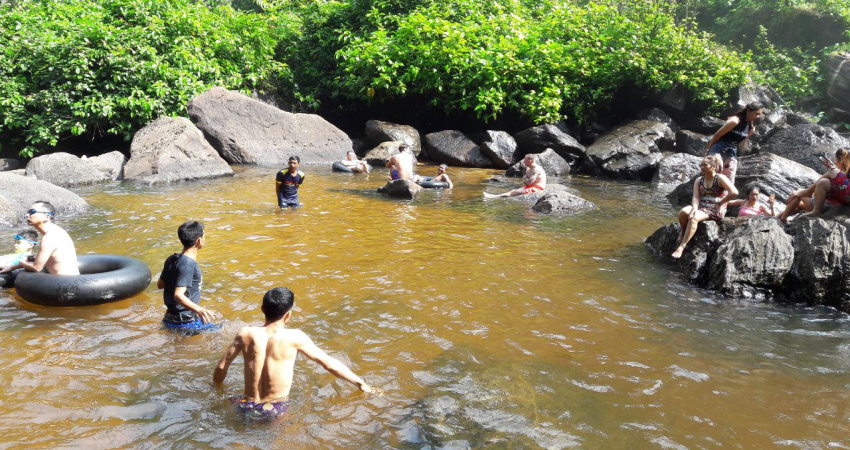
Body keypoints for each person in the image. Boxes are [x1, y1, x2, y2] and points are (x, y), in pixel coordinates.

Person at [213, 287, 372, 419]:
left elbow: (221, 367)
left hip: (246, 404)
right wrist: (361, 384)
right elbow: (329, 364)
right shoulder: (295, 337)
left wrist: (216, 388)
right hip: (275, 409)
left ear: (262, 309)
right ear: (288, 314)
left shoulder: (245, 333)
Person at [672, 156, 738, 259]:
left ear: (713, 166)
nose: (702, 167)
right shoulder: (699, 180)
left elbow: (734, 192)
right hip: (702, 207)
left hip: (715, 209)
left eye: (705, 165)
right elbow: (696, 197)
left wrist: (721, 203)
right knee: (683, 212)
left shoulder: (720, 178)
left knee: (693, 218)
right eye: (701, 165)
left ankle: (682, 246)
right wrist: (694, 207)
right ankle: (683, 230)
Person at [158, 221, 218, 331]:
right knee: (221, 333)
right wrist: (200, 310)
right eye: (204, 236)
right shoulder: (188, 264)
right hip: (185, 320)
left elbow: (160, 284)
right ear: (198, 240)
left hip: (170, 317)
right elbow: (178, 295)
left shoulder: (172, 259)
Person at [0, 201, 79, 276]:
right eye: (28, 212)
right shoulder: (57, 231)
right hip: (69, 282)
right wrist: (12, 267)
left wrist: (21, 262)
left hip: (65, 285)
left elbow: (36, 267)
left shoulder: (50, 237)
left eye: (32, 212)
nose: (27, 215)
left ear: (46, 216)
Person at [779, 148, 850, 222]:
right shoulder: (843, 174)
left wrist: (834, 170)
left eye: (835, 160)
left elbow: (842, 179)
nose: (835, 161)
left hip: (830, 204)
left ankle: (808, 195)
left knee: (801, 194)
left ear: (839, 160)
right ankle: (778, 218)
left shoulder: (839, 173)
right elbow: (843, 179)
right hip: (837, 202)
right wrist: (834, 169)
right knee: (800, 203)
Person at [705, 101, 765, 185]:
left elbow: (740, 143)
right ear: (748, 110)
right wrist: (709, 150)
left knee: (729, 182)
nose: (758, 117)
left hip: (732, 154)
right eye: (756, 113)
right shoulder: (734, 121)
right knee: (715, 173)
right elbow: (717, 135)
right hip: (718, 150)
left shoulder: (751, 128)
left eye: (759, 115)